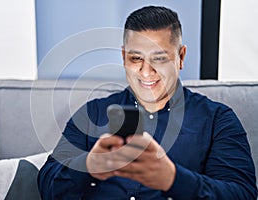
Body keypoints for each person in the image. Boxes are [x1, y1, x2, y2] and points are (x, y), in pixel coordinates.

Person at [38, 6, 257, 199]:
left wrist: (173, 179)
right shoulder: (92, 113)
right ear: (124, 57)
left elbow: (242, 194)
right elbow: (47, 187)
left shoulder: (218, 120)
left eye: (159, 58)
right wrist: (87, 166)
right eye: (136, 59)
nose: (146, 71)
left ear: (181, 57)